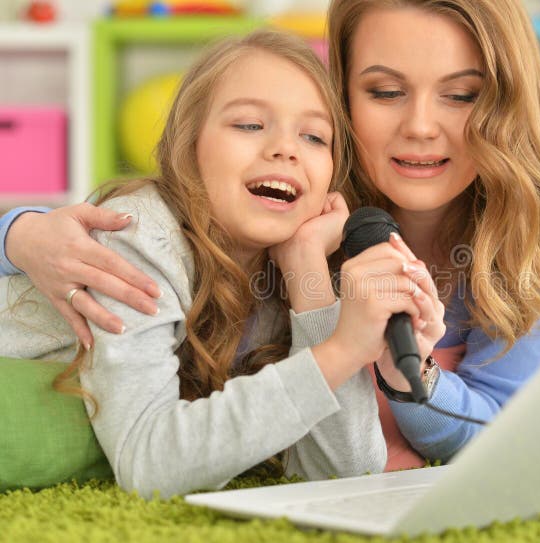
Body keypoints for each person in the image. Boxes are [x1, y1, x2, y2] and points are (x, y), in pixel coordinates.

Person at [1, 0, 540, 471]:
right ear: (343, 97)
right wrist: (17, 233)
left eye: (462, 94)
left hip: (433, 386)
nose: (419, 127)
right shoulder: (295, 199)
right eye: (384, 92)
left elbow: (361, 457)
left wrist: (396, 365)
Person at [0, 29, 442, 497]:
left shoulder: (284, 272)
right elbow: (148, 463)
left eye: (314, 136)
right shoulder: (142, 236)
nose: (285, 148)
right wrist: (342, 350)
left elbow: (345, 470)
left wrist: (307, 269)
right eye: (250, 125)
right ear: (189, 146)